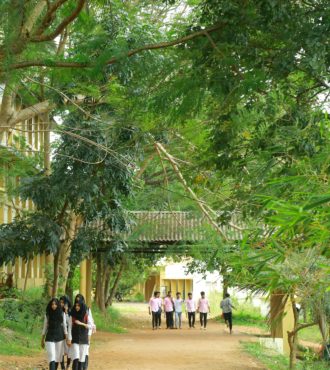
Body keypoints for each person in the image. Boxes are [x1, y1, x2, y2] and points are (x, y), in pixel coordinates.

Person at [41, 298, 67, 370]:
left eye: (55, 304)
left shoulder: (62, 313)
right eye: (52, 304)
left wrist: (67, 338)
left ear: (58, 305)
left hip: (59, 337)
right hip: (50, 337)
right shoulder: (47, 314)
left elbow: (65, 326)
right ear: (50, 305)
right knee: (52, 355)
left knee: (57, 357)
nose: (54, 306)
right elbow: (45, 326)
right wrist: (42, 339)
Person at [67, 300, 93, 370]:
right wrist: (69, 338)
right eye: (76, 305)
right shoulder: (72, 315)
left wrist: (81, 323)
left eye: (78, 306)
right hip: (75, 338)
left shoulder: (86, 315)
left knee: (81, 359)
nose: (77, 307)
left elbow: (91, 326)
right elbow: (69, 327)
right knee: (75, 357)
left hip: (84, 339)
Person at [73, 294, 96, 370]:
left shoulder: (87, 310)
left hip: (85, 335)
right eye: (77, 300)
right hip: (76, 336)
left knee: (84, 354)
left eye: (80, 300)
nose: (78, 302)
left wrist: (89, 335)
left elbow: (91, 324)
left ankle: (84, 367)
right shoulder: (73, 311)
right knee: (76, 356)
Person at [60, 295, 72, 370]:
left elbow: (69, 323)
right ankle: (62, 367)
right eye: (60, 302)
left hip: (68, 333)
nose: (61, 304)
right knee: (60, 351)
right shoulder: (58, 310)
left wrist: (66, 311)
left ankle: (68, 365)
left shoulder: (71, 312)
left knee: (68, 351)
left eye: (63, 303)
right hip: (60, 333)